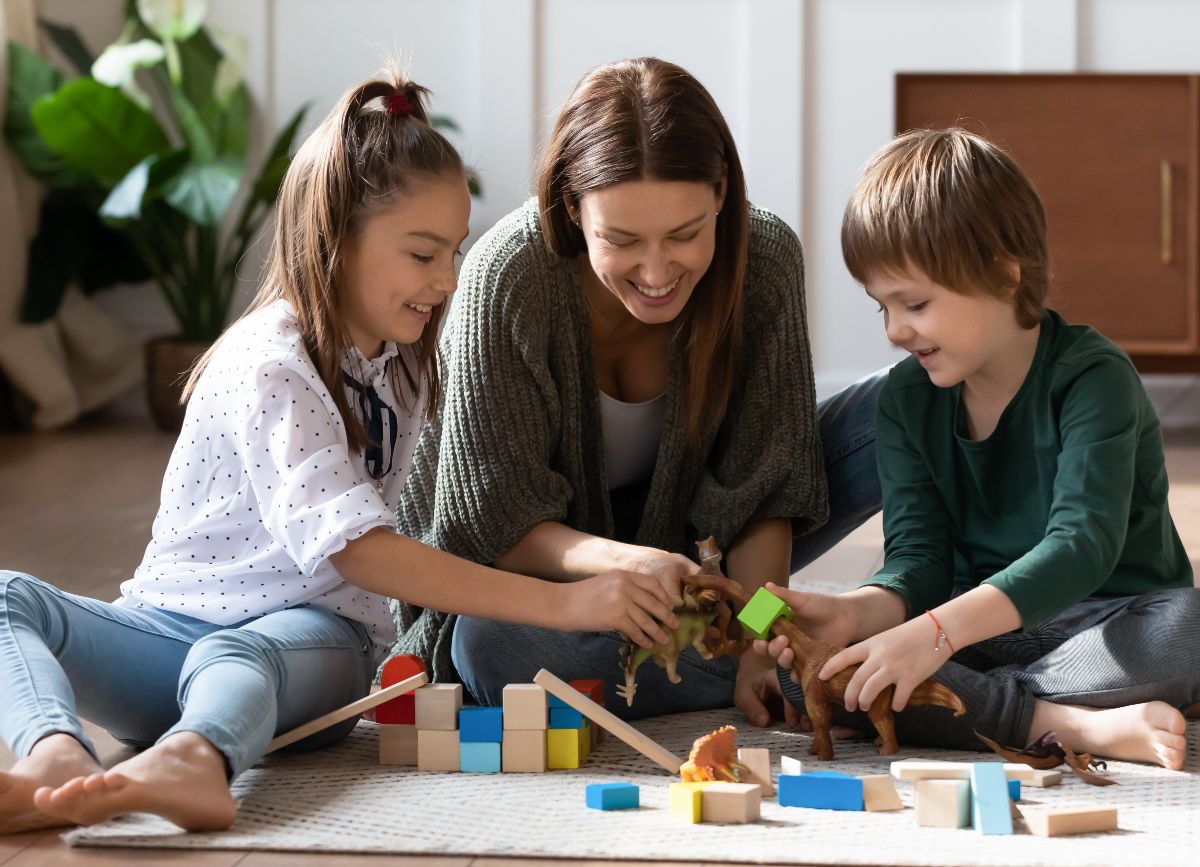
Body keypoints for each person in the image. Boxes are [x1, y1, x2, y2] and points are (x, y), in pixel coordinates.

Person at [0, 70, 679, 836]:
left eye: (454, 250)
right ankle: (53, 753)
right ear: (336, 239)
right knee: (6, 596)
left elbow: (374, 558)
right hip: (169, 632)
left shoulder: (406, 363)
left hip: (312, 648)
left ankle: (195, 754)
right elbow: (359, 549)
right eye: (424, 254)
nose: (447, 279)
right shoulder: (271, 360)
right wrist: (565, 602)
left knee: (238, 653)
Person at [393, 57, 884, 723]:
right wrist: (627, 563)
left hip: (710, 576)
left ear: (721, 196)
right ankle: (842, 652)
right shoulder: (510, 276)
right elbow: (494, 529)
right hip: (545, 581)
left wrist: (757, 641)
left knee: (895, 406)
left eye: (686, 235)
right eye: (621, 241)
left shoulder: (763, 260)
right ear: (572, 208)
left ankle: (850, 630)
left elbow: (764, 499)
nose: (657, 271)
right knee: (489, 648)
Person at [755, 127, 1198, 769]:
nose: (895, 330)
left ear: (1002, 273)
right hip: (972, 634)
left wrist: (930, 638)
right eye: (881, 306)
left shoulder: (1093, 377)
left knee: (1187, 634)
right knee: (813, 674)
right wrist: (854, 613)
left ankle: (978, 711)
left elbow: (1082, 548)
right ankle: (1059, 722)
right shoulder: (906, 399)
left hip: (1102, 624)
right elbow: (920, 559)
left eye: (915, 303)